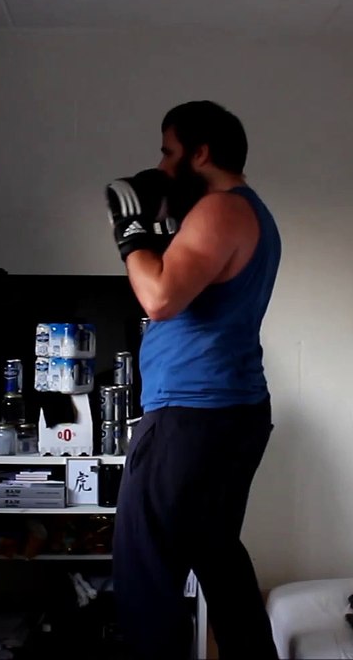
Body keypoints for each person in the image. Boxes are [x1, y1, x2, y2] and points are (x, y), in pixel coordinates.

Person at [103, 100, 282, 660]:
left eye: (168, 150)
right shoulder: (249, 213)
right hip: (230, 411)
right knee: (218, 556)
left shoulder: (220, 211)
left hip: (191, 415)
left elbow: (158, 298)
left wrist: (131, 236)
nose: (160, 162)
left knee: (145, 576)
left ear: (200, 153)